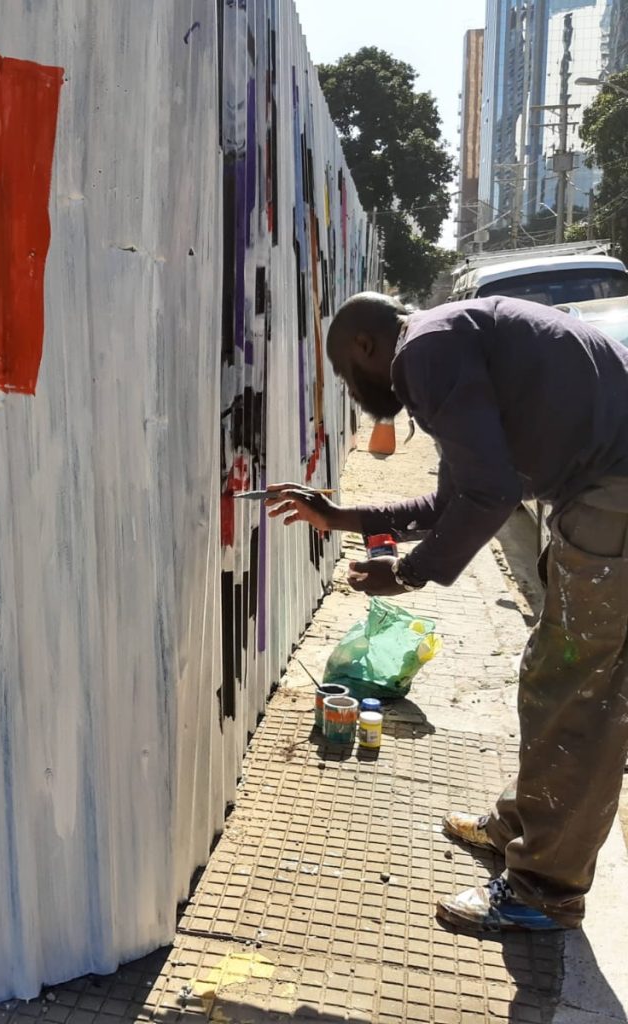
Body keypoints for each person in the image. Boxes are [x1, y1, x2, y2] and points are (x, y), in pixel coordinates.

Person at [268, 292, 628, 935]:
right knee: (555, 676)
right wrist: (339, 517)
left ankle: (545, 888)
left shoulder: (425, 352)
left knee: (579, 692)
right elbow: (454, 498)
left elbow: (489, 493)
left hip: (614, 494)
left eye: (348, 376)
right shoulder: (450, 341)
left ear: (365, 347)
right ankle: (523, 828)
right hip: (605, 484)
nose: (355, 392)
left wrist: (408, 574)